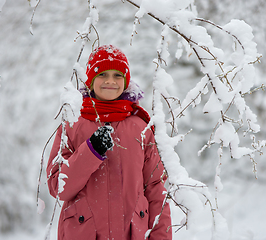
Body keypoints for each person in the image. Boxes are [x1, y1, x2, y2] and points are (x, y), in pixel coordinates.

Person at [47, 45, 172, 240]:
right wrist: (90, 152)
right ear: (91, 79)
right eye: (102, 74)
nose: (110, 81)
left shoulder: (141, 127)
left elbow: (156, 189)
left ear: (126, 80)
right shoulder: (72, 124)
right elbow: (57, 187)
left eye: (117, 75)